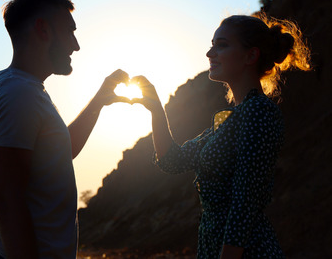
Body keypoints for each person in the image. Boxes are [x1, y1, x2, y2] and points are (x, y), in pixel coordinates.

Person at [131, 13, 310, 259]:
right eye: (212, 45)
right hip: (213, 247)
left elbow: (245, 203)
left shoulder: (259, 111)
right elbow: (172, 160)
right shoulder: (228, 119)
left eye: (222, 45)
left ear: (251, 55)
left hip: (247, 252)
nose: (209, 54)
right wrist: (155, 107)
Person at [0, 0, 131, 259]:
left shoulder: (27, 91)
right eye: (70, 31)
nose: (76, 45)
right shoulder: (17, 93)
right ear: (43, 29)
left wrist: (99, 101)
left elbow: (61, 153)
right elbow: (8, 201)